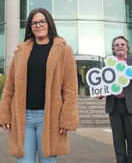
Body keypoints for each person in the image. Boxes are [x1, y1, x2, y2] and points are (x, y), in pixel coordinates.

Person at [0, 8, 79, 163]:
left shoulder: (64, 50)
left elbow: (70, 88)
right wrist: (4, 114)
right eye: (34, 23)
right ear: (30, 27)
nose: (38, 25)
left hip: (49, 117)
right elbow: (10, 87)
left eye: (42, 21)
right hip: (23, 118)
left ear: (49, 23)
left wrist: (66, 119)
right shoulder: (21, 51)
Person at [100, 36, 132, 163]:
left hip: (131, 107)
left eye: (122, 44)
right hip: (114, 106)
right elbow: (103, 85)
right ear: (113, 48)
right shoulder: (108, 64)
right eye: (117, 45)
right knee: (118, 142)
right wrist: (101, 92)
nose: (120, 46)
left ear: (127, 47)